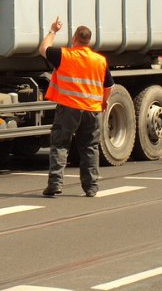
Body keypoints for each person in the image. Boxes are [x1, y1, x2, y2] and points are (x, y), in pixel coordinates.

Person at [39, 16, 113, 198]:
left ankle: (55, 185)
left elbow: (43, 49)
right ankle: (91, 187)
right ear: (89, 41)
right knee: (89, 147)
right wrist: (103, 102)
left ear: (74, 39)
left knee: (60, 145)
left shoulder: (65, 55)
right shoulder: (100, 60)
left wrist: (53, 31)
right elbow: (108, 87)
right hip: (93, 110)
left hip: (68, 109)